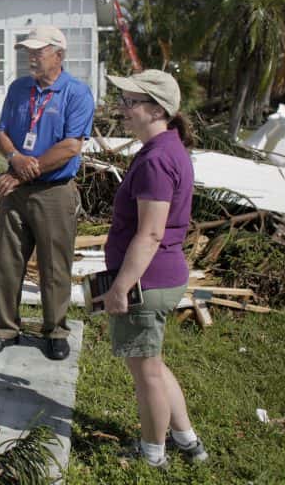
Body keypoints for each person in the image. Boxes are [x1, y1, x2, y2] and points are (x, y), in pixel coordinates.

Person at [96, 69, 207, 468]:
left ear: (158, 109)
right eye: (123, 101)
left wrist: (120, 287)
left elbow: (151, 233)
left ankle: (153, 453)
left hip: (147, 280)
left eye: (131, 102)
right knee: (153, 364)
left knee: (146, 375)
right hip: (162, 275)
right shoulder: (166, 149)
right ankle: (188, 440)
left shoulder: (157, 160)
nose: (122, 110)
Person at [0, 25, 94, 360]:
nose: (31, 56)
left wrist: (25, 173)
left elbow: (71, 146)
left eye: (38, 51)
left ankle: (55, 330)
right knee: (8, 262)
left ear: (59, 54)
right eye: (28, 50)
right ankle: (3, 329)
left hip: (53, 191)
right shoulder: (19, 89)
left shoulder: (76, 93)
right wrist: (14, 158)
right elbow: (2, 133)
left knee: (54, 266)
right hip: (16, 187)